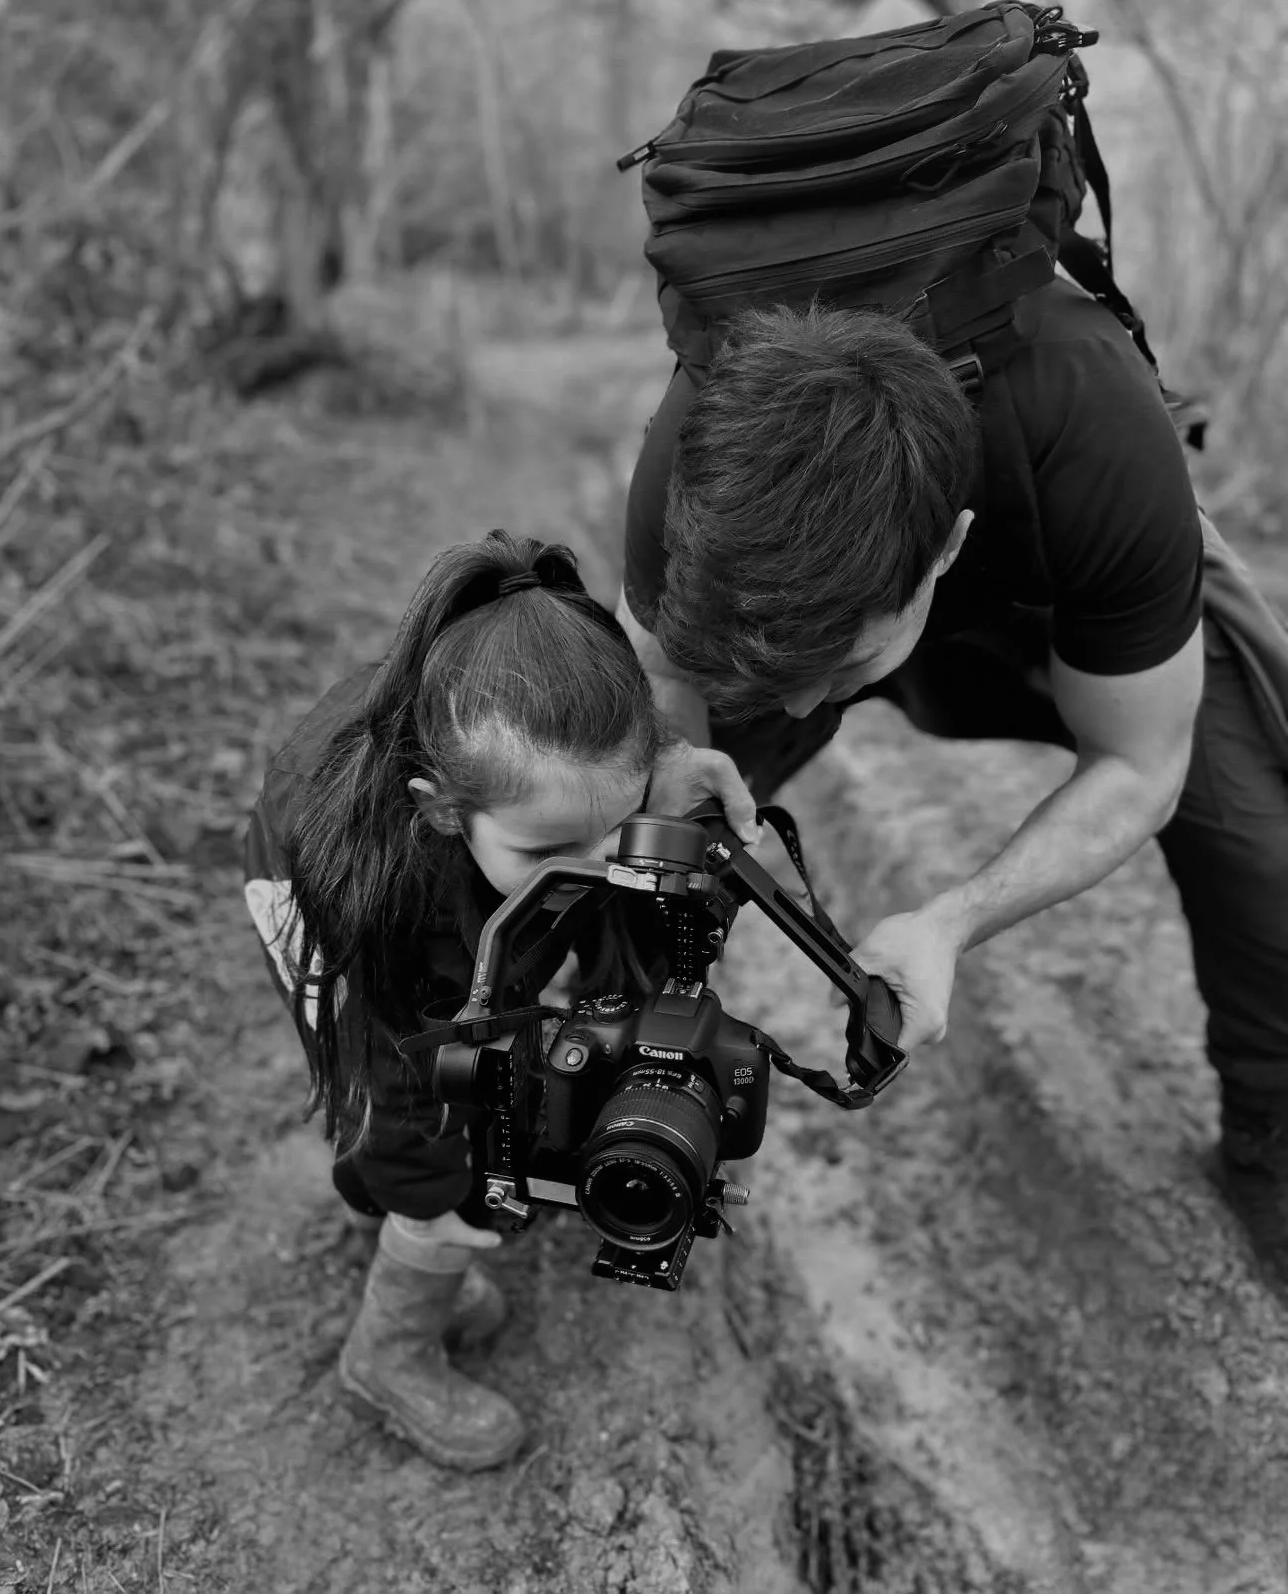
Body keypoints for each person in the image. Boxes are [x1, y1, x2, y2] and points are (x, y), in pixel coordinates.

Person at [619, 283, 1288, 1294]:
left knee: (1260, 849)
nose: (806, 712)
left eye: (843, 673)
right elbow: (666, 672)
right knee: (625, 817)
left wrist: (952, 920)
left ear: (950, 548)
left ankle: (1271, 1136)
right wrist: (679, 784)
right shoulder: (694, 449)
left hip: (1056, 600)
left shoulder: (1099, 435)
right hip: (803, 619)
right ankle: (600, 1087)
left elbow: (1140, 762)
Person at [243, 529, 730, 1470]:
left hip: (461, 867)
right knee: (404, 1102)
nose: (588, 872)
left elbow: (577, 868)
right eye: (550, 855)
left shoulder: (548, 785)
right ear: (439, 807)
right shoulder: (387, 892)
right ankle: (389, 1346)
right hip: (322, 885)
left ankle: (416, 1245)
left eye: (611, 832)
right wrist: (446, 1200)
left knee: (485, 1014)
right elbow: (408, 1078)